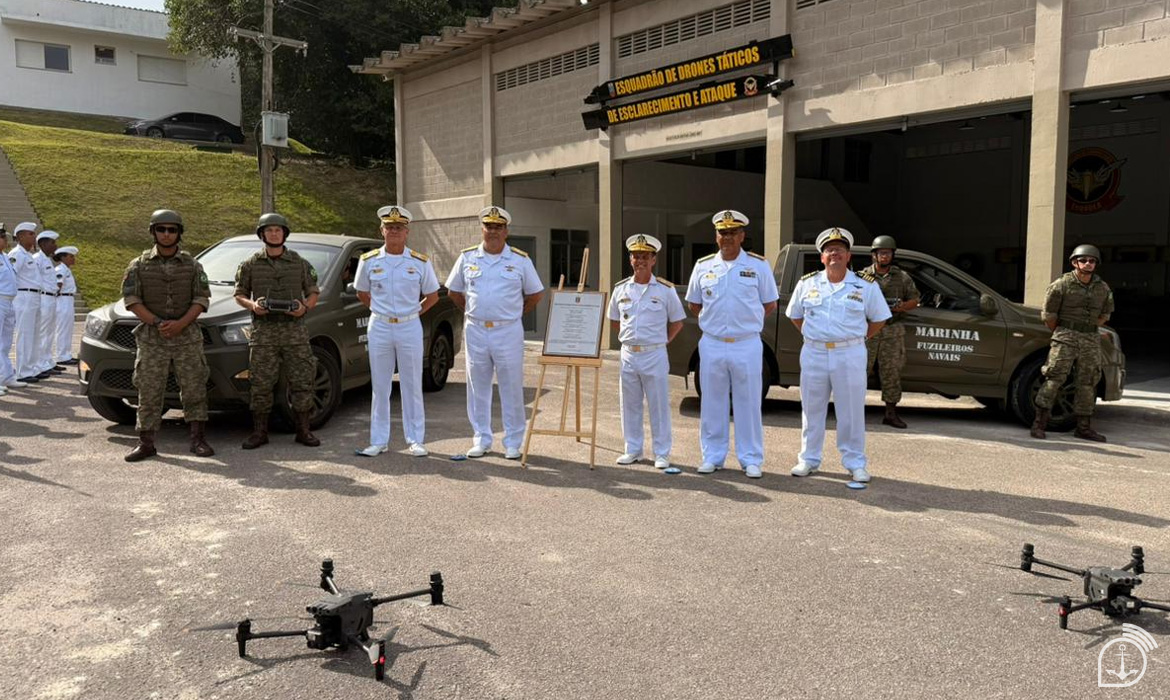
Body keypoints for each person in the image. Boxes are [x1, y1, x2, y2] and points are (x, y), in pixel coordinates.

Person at [786, 227, 891, 487]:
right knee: (811, 408)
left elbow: (879, 319)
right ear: (822, 257)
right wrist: (817, 336)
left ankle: (855, 462)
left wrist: (855, 338)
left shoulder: (865, 285)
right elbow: (795, 315)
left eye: (840, 250)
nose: (834, 254)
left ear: (849, 256)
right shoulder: (807, 283)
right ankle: (809, 459)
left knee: (851, 410)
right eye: (829, 250)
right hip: (814, 352)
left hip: (849, 353)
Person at [684, 210, 779, 478]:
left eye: (732, 233)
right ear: (716, 237)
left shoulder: (758, 266)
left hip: (746, 343)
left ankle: (750, 459)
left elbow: (769, 304)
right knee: (712, 401)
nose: (727, 237)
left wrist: (745, 323)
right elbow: (694, 304)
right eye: (722, 233)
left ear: (742, 236)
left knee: (748, 402)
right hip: (712, 343)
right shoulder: (703, 266)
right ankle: (712, 456)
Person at [445, 206, 544, 459]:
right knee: (478, 387)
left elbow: (535, 294)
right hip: (476, 330)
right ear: (482, 229)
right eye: (489, 227)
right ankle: (481, 438)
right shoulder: (467, 257)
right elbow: (454, 292)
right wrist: (472, 311)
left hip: (508, 331)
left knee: (511, 387)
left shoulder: (520, 260)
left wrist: (514, 313)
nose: (493, 232)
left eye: (498, 227)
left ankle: (513, 442)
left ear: (506, 231)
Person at [121, 209, 215, 461]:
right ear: (153, 232)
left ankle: (198, 439)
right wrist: (157, 322)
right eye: (161, 229)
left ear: (179, 234)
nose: (166, 234)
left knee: (194, 387)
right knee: (149, 390)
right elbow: (131, 299)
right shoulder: (138, 265)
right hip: (153, 338)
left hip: (187, 338)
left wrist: (182, 323)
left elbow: (201, 298)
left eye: (171, 230)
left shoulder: (193, 265)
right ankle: (146, 442)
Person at [353, 205, 440, 458]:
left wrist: (412, 314)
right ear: (382, 230)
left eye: (398, 228)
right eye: (389, 227)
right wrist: (381, 312)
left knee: (412, 384)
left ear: (407, 232)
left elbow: (433, 296)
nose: (394, 231)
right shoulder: (368, 261)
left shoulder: (419, 262)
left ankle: (415, 440)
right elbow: (362, 293)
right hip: (379, 326)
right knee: (380, 386)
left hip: (409, 326)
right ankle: (378, 441)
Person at [235, 212, 322, 449]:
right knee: (261, 384)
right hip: (263, 333)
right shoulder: (251, 264)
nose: (274, 234)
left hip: (295, 332)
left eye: (278, 230)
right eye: (269, 230)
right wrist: (253, 305)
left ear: (284, 234)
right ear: (262, 234)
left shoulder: (299, 263)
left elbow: (314, 291)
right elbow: (239, 293)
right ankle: (259, 432)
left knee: (303, 381)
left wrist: (304, 307)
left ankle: (303, 430)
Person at [608, 234, 687, 472]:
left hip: (654, 354)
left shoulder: (665, 290)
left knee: (658, 405)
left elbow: (678, 322)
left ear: (654, 260)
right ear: (630, 259)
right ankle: (632, 449)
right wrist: (629, 340)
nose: (639, 260)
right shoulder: (621, 289)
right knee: (629, 404)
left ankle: (661, 453)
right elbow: (614, 320)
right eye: (635, 256)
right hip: (629, 354)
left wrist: (662, 341)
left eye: (645, 256)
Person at [1031, 244, 1114, 442]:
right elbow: (1049, 315)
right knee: (1054, 378)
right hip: (1065, 336)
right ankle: (1039, 423)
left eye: (1092, 261)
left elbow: (1105, 314)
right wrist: (1064, 331)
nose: (1088, 264)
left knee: (1088, 382)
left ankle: (1083, 427)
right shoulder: (1061, 285)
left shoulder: (1102, 288)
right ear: (1075, 262)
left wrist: (1087, 329)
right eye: (1083, 260)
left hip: (1090, 339)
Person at [862, 235, 919, 429]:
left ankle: (890, 413)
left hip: (892, 330)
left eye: (887, 253)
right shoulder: (862, 276)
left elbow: (915, 300)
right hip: (868, 330)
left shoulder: (902, 277)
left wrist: (901, 307)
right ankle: (853, 412)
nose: (884, 256)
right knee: (859, 371)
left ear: (892, 255)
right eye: (880, 253)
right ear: (874, 255)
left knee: (891, 372)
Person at [9, 221, 43, 384]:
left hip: (34, 296)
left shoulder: (28, 255)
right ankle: (23, 371)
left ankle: (32, 368)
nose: (34, 236)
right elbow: (11, 276)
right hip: (24, 297)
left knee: (35, 335)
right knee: (25, 334)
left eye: (34, 233)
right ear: (20, 236)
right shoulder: (17, 254)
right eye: (30, 234)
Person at [34, 230, 61, 377]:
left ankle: (47, 361)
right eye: (52, 243)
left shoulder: (47, 260)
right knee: (43, 332)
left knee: (49, 332)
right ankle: (40, 364)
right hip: (43, 298)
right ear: (43, 244)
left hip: (51, 298)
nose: (55, 246)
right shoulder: (37, 258)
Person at [53, 246, 79, 366]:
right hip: (63, 300)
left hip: (68, 299)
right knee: (63, 329)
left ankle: (66, 354)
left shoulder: (66, 269)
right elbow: (58, 285)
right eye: (71, 256)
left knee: (67, 329)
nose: (73, 259)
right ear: (63, 257)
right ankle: (61, 355)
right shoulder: (60, 269)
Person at [0, 223, 18, 394]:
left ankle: (5, 376)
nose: (6, 240)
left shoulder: (4, 256)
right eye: (3, 237)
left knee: (5, 343)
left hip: (8, 302)